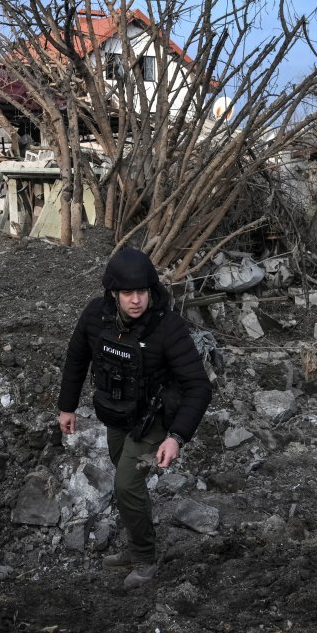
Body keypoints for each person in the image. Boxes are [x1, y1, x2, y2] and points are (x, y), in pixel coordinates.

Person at [58, 248, 212, 589]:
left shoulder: (167, 327)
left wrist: (177, 436)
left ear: (150, 290)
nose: (136, 300)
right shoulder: (95, 316)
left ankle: (144, 559)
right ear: (114, 293)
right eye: (128, 293)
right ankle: (137, 546)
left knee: (126, 484)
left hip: (154, 421)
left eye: (142, 291)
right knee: (129, 484)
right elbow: (77, 358)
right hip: (117, 413)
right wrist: (67, 407)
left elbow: (199, 386)